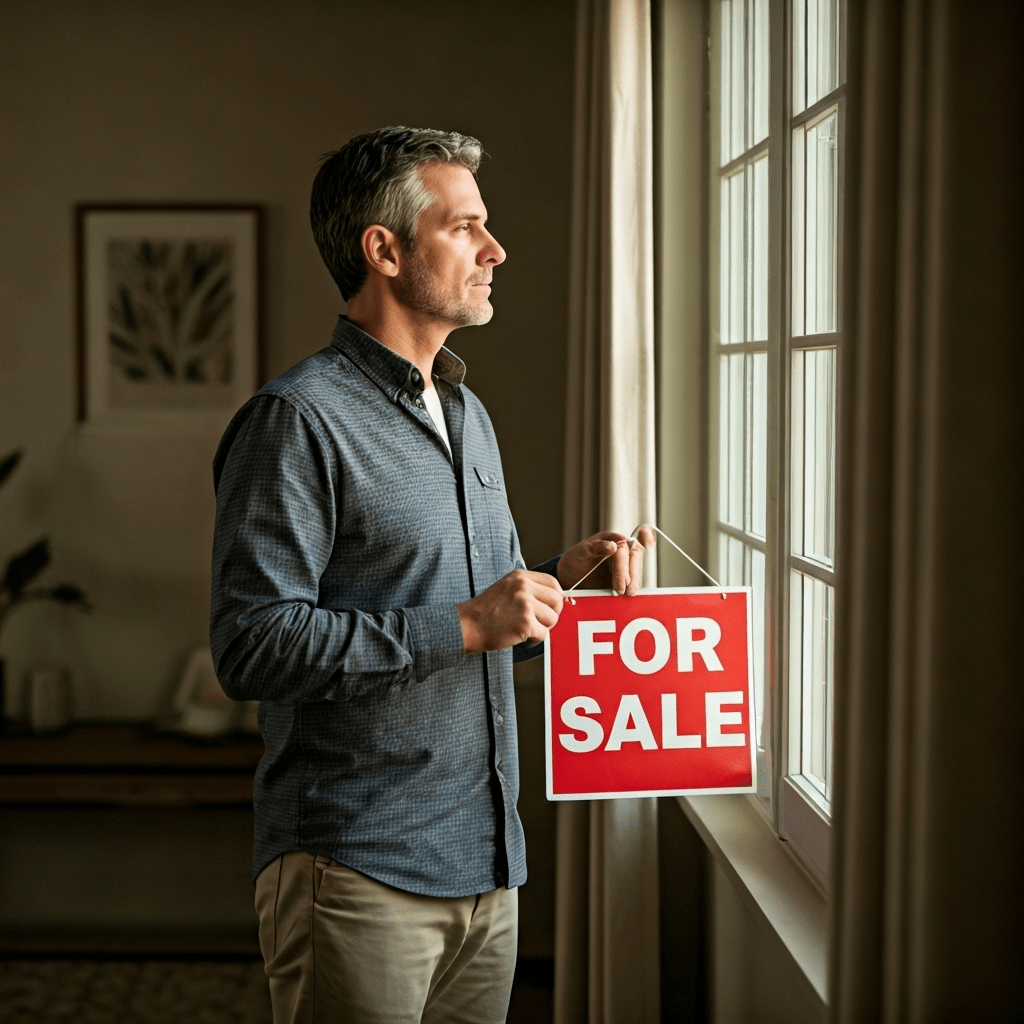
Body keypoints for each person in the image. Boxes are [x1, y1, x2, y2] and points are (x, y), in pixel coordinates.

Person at [210, 126, 653, 1023]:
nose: (496, 250)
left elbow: (465, 622)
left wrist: (550, 588)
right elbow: (251, 647)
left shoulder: (466, 411)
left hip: (489, 871)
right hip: (356, 870)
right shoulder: (296, 420)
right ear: (385, 249)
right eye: (467, 227)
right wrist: (467, 624)